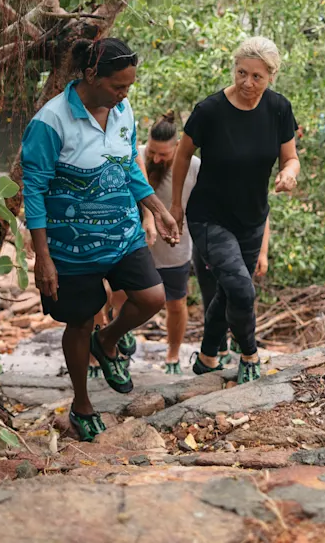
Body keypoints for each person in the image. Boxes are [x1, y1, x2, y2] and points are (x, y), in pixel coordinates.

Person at [20, 37, 180, 440]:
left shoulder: (123, 111)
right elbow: (34, 189)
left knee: (153, 298)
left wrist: (157, 211)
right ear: (91, 75)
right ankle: (82, 403)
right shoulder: (50, 121)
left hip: (122, 233)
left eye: (128, 87)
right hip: (69, 245)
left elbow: (127, 166)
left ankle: (106, 341)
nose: (124, 94)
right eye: (118, 86)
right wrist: (43, 256)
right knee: (79, 320)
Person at [171, 37, 298, 385]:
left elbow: (290, 157)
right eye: (241, 72)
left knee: (228, 290)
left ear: (271, 76)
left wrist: (289, 174)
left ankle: (208, 357)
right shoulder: (210, 110)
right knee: (242, 290)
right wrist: (176, 206)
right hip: (209, 217)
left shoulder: (278, 109)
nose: (247, 82)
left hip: (252, 220)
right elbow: (182, 155)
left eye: (257, 76)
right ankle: (249, 354)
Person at [140, 112, 199, 373]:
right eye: (153, 151)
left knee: (176, 304)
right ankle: (116, 346)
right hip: (138, 246)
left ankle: (173, 356)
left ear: (176, 147)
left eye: (163, 154)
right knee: (119, 296)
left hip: (176, 249)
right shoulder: (137, 156)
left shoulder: (193, 166)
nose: (156, 159)